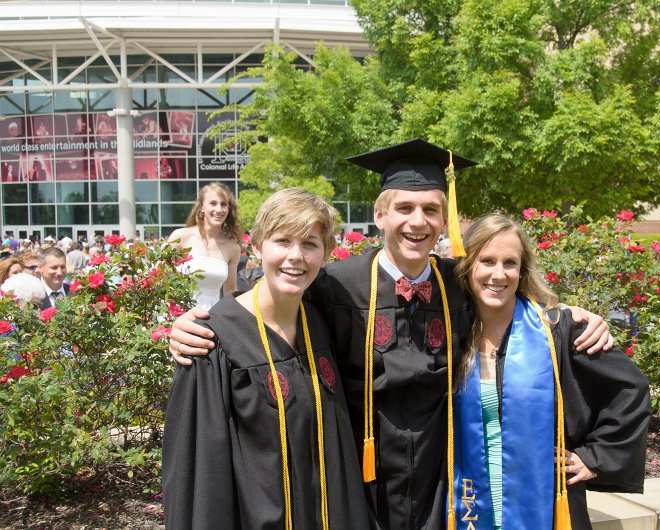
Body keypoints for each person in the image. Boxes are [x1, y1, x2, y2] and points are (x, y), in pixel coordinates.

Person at [168, 139, 613, 529]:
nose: (417, 222)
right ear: (380, 214)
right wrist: (194, 324)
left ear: (444, 221)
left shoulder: (456, 286)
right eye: (404, 208)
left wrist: (565, 313)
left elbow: (506, 299)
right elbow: (271, 299)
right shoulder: (335, 286)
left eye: (430, 210)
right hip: (359, 488)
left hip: (443, 483)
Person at [163, 188, 370, 529]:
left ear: (326, 253)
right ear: (257, 247)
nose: (296, 256)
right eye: (282, 241)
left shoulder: (319, 324)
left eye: (309, 244)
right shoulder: (212, 341)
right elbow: (199, 475)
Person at [452, 214, 650, 529]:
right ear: (467, 266)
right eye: (486, 261)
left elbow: (630, 389)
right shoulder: (449, 334)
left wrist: (596, 457)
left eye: (510, 263)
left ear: (522, 270)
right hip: (466, 504)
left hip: (545, 506)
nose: (498, 274)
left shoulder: (556, 330)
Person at [168, 182, 242, 309]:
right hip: (177, 314)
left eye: (223, 204)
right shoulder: (181, 237)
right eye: (213, 203)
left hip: (211, 317)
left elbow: (230, 291)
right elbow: (158, 276)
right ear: (201, 207)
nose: (219, 209)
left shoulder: (233, 248)